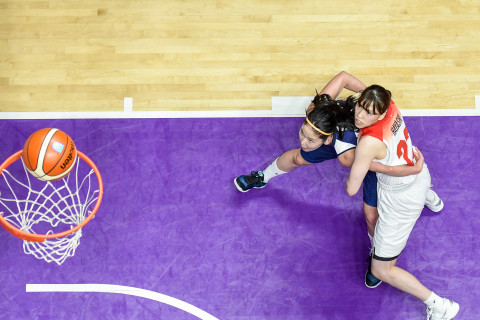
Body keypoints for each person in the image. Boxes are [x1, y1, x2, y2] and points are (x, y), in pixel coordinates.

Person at [234, 71, 426, 288]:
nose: (305, 142)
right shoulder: (316, 111)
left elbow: (374, 166)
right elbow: (343, 77)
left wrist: (367, 101)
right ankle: (262, 177)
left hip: (364, 154)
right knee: (297, 156)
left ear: (327, 141)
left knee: (371, 216)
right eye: (303, 135)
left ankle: (376, 250)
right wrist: (365, 100)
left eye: (310, 140)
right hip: (337, 138)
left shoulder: (347, 155)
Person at [346, 82, 459, 319]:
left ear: (381, 112)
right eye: (360, 107)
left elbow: (351, 188)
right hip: (419, 172)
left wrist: (358, 160)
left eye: (369, 113)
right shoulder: (389, 104)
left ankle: (440, 305)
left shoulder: (368, 143)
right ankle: (431, 198)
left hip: (401, 200)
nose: (360, 115)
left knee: (381, 269)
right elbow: (366, 91)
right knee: (414, 177)